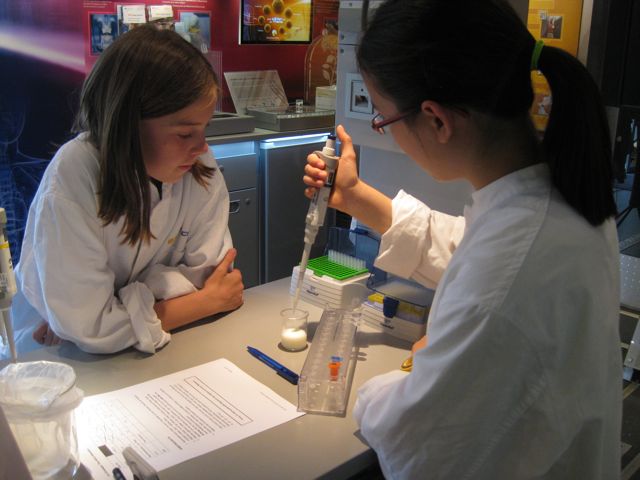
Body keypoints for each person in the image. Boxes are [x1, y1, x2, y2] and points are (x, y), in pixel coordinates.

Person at [303, 0, 621, 478]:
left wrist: (412, 370)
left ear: (437, 120)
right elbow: (468, 248)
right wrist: (354, 197)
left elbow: (414, 442)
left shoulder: (512, 265)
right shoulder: (555, 196)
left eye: (383, 118)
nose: (383, 129)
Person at [1, 25, 243, 358]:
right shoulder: (76, 173)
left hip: (150, 349)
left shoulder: (199, 166)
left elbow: (210, 276)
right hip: (52, 355)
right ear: (127, 125)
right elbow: (92, 329)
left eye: (205, 129)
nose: (201, 146)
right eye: (185, 134)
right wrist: (201, 303)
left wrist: (110, 309)